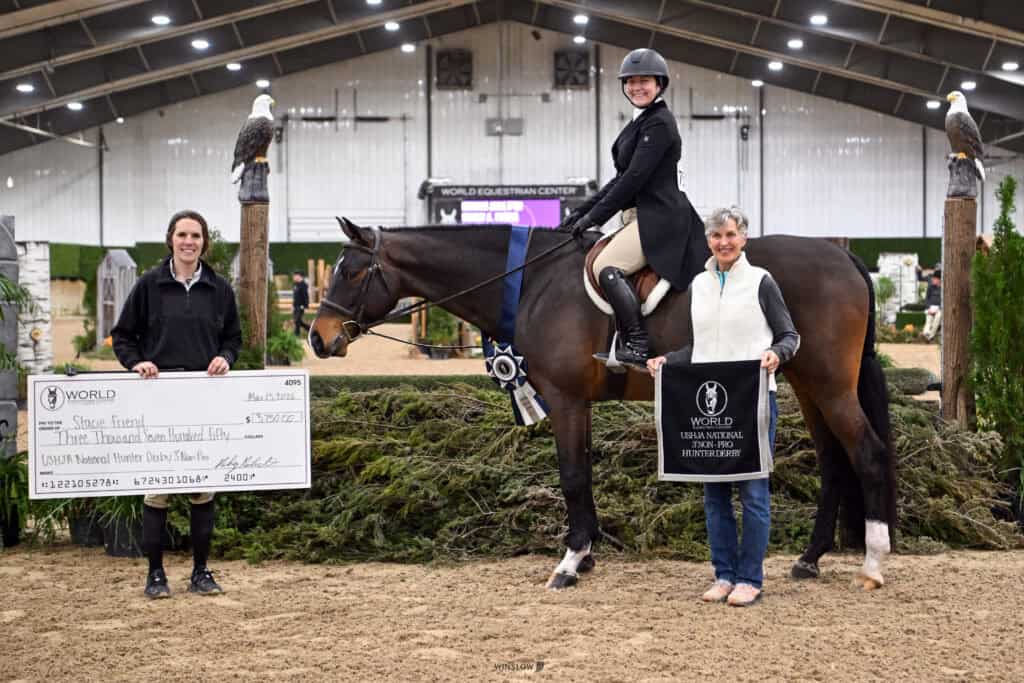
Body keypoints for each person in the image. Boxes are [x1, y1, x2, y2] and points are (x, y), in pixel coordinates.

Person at [647, 207, 799, 607]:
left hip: (752, 400)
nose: (724, 242)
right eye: (716, 236)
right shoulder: (698, 284)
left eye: (730, 234)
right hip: (710, 403)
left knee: (753, 493)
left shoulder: (761, 281)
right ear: (708, 241)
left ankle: (750, 578)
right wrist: (669, 361)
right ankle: (723, 574)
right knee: (714, 496)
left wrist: (775, 354)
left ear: (743, 237)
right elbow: (699, 348)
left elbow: (790, 335)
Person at [112, 209, 242, 600]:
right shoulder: (149, 285)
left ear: (205, 243)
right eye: (183, 235)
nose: (189, 242)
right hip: (158, 401)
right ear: (171, 239)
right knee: (158, 491)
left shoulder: (219, 288)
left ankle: (201, 572)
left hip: (203, 400)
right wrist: (137, 362)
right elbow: (123, 336)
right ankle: (156, 575)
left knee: (202, 490)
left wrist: (226, 358)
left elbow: (233, 338)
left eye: (196, 236)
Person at [561, 47, 706, 367]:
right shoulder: (642, 122)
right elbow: (620, 179)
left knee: (605, 267)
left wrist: (593, 218)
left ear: (659, 84)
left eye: (644, 81)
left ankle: (638, 343)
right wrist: (580, 212)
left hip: (661, 216)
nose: (636, 87)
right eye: (630, 82)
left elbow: (634, 180)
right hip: (640, 216)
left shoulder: (659, 124)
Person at [920, 267, 941, 342]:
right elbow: (927, 299)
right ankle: (926, 333)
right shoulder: (931, 287)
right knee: (929, 319)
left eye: (934, 279)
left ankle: (930, 336)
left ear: (939, 280)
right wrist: (928, 308)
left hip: (940, 309)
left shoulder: (943, 289)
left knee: (938, 317)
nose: (932, 280)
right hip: (931, 307)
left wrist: (938, 309)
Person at [292, 270, 310, 337]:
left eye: (294, 276)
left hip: (301, 306)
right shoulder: (296, 285)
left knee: (297, 320)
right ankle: (309, 328)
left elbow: (305, 296)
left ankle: (296, 334)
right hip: (295, 306)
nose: (293, 278)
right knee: (297, 321)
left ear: (298, 276)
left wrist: (305, 305)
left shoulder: (303, 285)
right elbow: (295, 296)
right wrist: (293, 305)